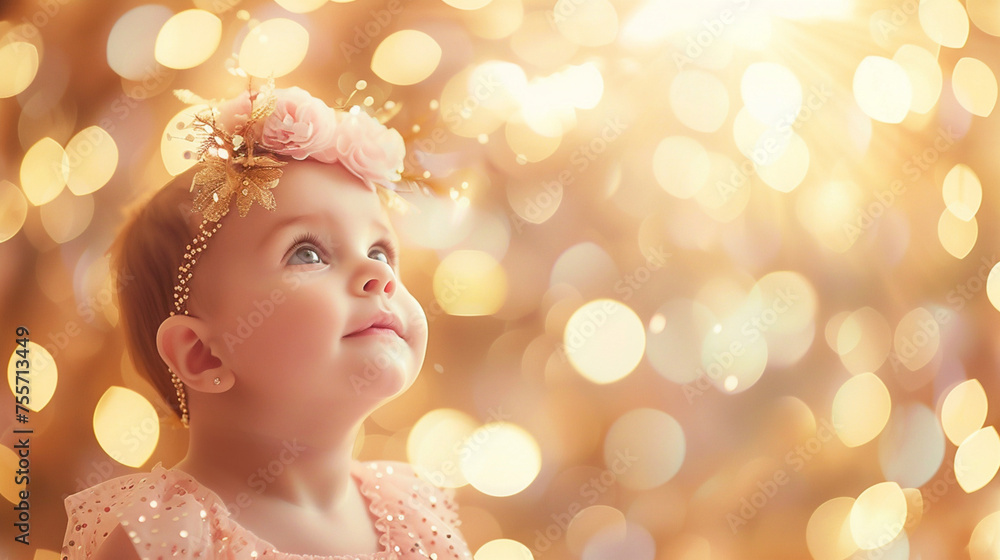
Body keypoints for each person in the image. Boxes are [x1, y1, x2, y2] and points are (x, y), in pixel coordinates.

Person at [61, 83, 472, 560]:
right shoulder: (165, 540)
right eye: (308, 252)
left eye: (380, 250)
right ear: (202, 353)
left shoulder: (417, 513)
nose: (379, 273)